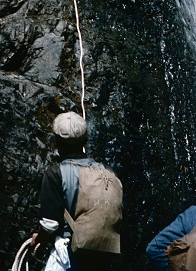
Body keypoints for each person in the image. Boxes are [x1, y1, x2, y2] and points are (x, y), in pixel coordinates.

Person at [31, 111, 121, 271]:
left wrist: (38, 239)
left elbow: (50, 225)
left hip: (68, 254)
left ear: (57, 142)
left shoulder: (56, 173)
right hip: (101, 257)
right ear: (85, 139)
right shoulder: (108, 172)